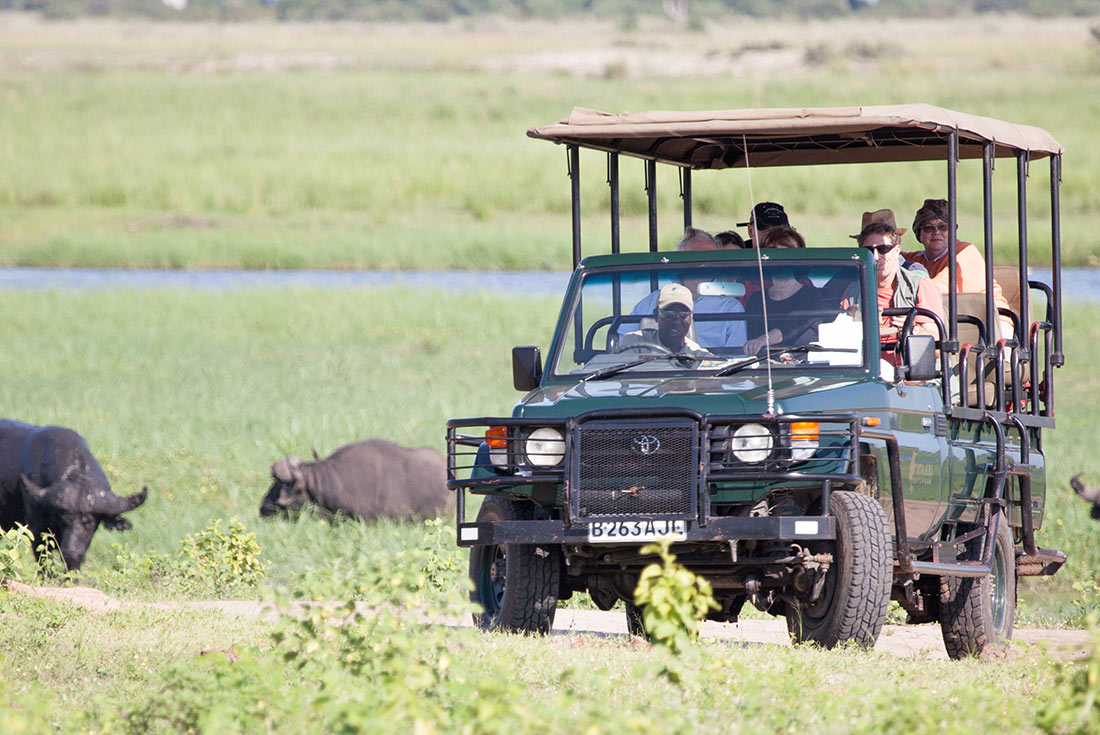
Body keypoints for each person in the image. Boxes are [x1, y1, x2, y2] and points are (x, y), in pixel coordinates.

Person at [617, 227, 746, 349]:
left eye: (708, 258)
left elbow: (737, 359)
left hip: (711, 371)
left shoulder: (731, 308)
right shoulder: (654, 300)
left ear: (716, 265)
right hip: (657, 369)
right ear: (680, 262)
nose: (700, 264)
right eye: (692, 258)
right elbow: (622, 342)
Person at [901, 198, 1011, 337]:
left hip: (991, 321)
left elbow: (934, 288)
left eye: (943, 227)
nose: (936, 233)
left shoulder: (965, 252)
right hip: (950, 322)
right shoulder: (916, 259)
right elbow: (887, 257)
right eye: (929, 228)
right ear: (919, 234)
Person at [858, 217, 945, 356]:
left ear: (897, 250)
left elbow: (938, 347)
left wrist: (912, 329)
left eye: (883, 249)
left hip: (912, 373)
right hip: (866, 371)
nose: (875, 256)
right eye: (869, 251)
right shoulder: (852, 290)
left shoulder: (920, 285)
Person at [742, 232, 823, 356]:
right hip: (760, 369)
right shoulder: (756, 299)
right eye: (774, 253)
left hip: (802, 369)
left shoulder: (812, 295)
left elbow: (792, 325)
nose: (781, 260)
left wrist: (761, 341)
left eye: (788, 253)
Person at [617, 284, 713, 358]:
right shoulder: (633, 344)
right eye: (669, 314)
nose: (676, 321)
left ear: (691, 318)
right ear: (656, 315)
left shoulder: (699, 356)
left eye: (684, 314)